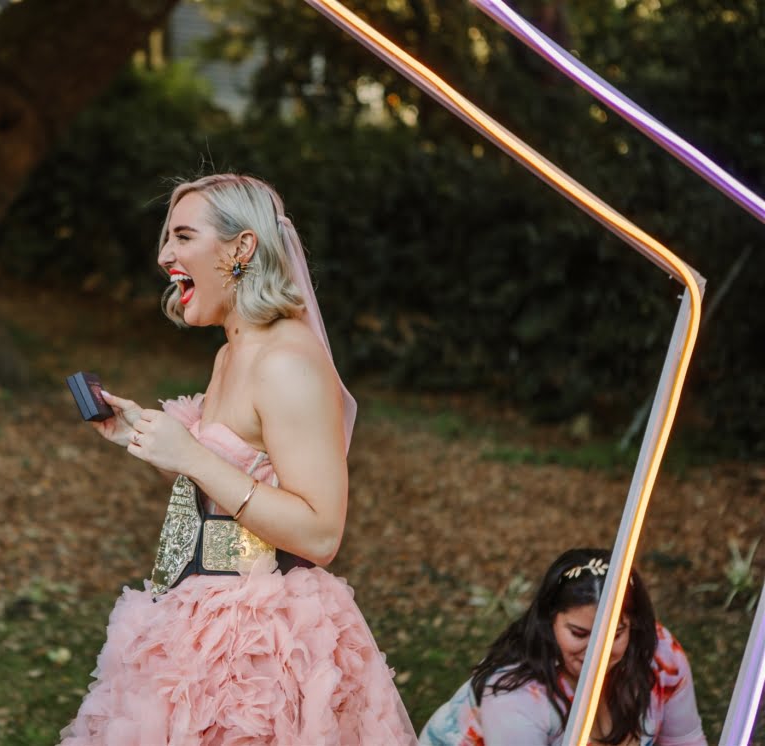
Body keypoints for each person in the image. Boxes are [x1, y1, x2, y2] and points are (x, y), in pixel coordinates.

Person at [60, 173, 418, 744]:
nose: (164, 255)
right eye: (167, 238)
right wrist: (141, 435)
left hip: (264, 646)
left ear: (242, 247)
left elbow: (321, 533)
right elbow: (233, 474)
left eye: (182, 236)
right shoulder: (231, 354)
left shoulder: (287, 362)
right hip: (197, 620)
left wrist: (192, 457)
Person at [419, 548, 706, 746]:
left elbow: (684, 741)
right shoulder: (515, 696)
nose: (598, 652)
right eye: (579, 633)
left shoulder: (661, 653)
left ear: (635, 624)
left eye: (615, 634)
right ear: (548, 622)